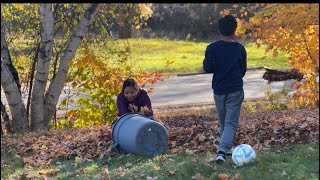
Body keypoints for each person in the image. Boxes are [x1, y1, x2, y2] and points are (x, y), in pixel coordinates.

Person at [203, 15, 247, 164]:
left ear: (220, 30)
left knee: (223, 121)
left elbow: (207, 67)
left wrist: (218, 67)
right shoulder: (240, 49)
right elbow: (243, 70)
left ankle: (226, 150)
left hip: (219, 90)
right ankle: (222, 151)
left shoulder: (212, 48)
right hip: (235, 89)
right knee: (230, 123)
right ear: (235, 30)